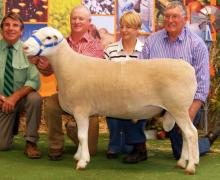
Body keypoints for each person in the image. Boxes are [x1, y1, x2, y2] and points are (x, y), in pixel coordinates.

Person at [29, 5, 104, 161]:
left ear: (89, 22)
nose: (76, 21)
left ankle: (73, 129)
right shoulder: (58, 42)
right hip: (65, 96)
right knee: (50, 104)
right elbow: (48, 72)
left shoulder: (95, 45)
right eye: (74, 18)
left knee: (92, 150)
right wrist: (42, 65)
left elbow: (81, 71)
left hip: (87, 100)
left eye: (81, 18)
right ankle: (56, 145)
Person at [139, 1, 210, 159]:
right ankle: (138, 149)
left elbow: (203, 83)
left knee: (180, 152)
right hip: (153, 99)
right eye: (167, 16)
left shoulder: (197, 45)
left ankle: (205, 143)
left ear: (184, 19)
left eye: (175, 16)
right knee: (130, 109)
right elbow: (140, 72)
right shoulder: (152, 41)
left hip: (184, 101)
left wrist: (191, 111)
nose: (170, 20)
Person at [104, 11, 147, 163]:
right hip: (115, 93)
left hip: (138, 94)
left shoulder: (145, 50)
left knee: (136, 106)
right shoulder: (109, 50)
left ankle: (132, 143)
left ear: (137, 29)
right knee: (113, 106)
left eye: (128, 27)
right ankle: (114, 143)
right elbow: (104, 76)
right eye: (122, 26)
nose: (124, 30)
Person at [0, 12, 42, 158]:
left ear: (21, 31)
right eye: (7, 25)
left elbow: (34, 81)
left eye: (15, 25)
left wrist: (14, 97)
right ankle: (11, 126)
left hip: (22, 99)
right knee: (2, 146)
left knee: (35, 98)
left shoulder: (29, 51)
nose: (11, 28)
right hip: (2, 101)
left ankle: (31, 142)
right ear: (1, 29)